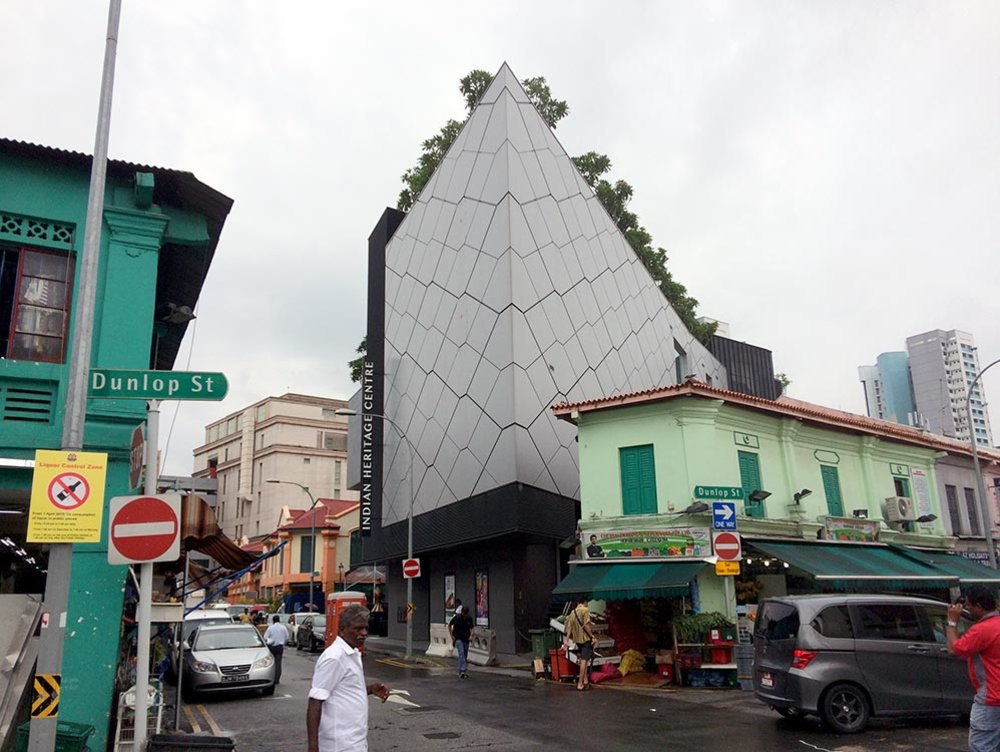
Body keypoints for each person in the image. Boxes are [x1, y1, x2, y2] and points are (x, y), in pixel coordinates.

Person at [307, 603, 390, 752]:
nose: (364, 633)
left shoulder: (353, 653)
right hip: (339, 744)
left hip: (354, 742)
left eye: (366, 628)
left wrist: (370, 690)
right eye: (358, 628)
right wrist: (313, 747)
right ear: (342, 630)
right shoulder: (334, 657)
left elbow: (344, 691)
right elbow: (315, 701)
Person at [947, 586, 1000, 752]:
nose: (967, 609)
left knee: (982, 746)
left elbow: (954, 649)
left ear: (979, 607)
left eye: (969, 606)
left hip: (990, 698)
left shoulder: (982, 630)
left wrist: (952, 621)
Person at [566, 595, 595, 691]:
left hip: (577, 640)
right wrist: (592, 636)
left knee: (584, 660)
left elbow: (569, 627)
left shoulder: (572, 612)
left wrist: (566, 640)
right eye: (587, 603)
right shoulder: (585, 610)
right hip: (585, 639)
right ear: (585, 602)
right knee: (584, 660)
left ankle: (585, 680)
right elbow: (586, 625)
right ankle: (580, 683)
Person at [449, 604, 473, 679]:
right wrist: (452, 636)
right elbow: (449, 625)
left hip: (466, 638)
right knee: (461, 653)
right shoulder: (457, 618)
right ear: (462, 612)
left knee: (465, 654)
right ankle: (462, 670)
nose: (465, 615)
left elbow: (471, 628)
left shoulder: (469, 619)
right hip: (458, 638)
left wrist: (471, 635)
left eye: (466, 614)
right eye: (464, 613)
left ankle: (462, 670)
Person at [264, 614, 290, 684]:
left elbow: (265, 637)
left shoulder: (270, 628)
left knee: (272, 663)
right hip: (279, 647)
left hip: (271, 647)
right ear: (279, 620)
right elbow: (287, 637)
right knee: (278, 663)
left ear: (273, 621)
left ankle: (271, 678)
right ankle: (277, 679)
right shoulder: (283, 628)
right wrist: (283, 642)